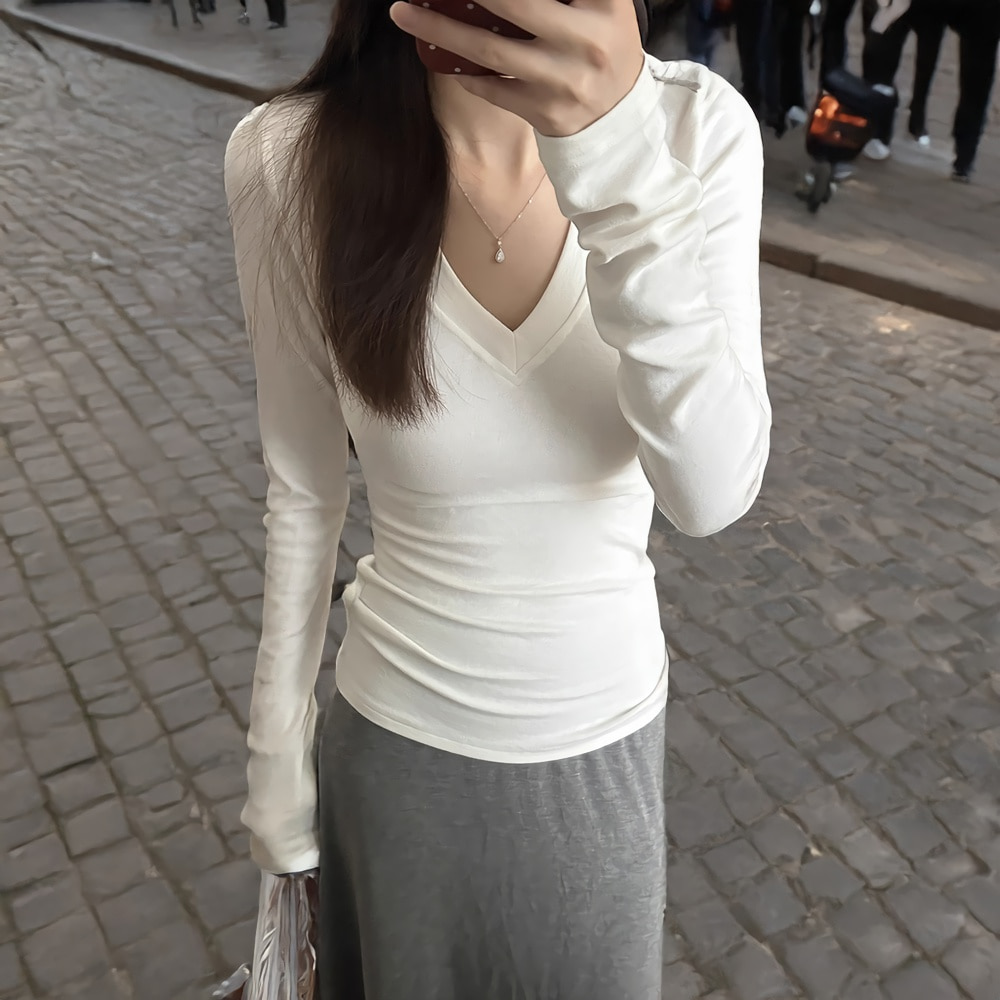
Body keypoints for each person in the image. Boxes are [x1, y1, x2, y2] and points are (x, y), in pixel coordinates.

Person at [225, 0, 770, 995]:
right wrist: (276, 769)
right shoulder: (289, 155)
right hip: (396, 753)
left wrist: (616, 161)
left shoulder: (695, 129)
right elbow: (303, 489)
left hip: (602, 750)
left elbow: (711, 490)